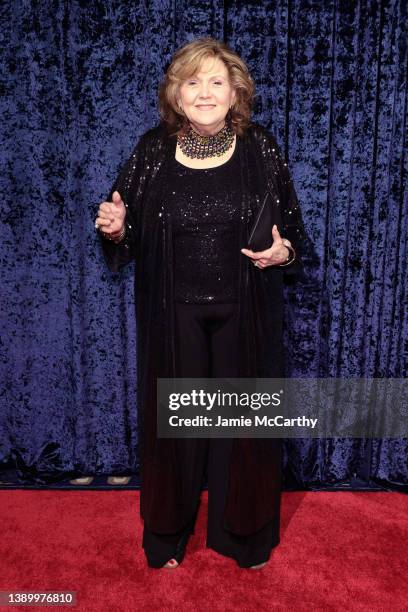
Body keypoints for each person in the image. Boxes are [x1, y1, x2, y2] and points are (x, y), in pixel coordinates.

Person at [95, 37, 305, 570]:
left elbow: (293, 235)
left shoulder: (261, 147)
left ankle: (245, 537)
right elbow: (126, 223)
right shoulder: (151, 149)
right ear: (176, 93)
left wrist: (282, 252)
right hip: (174, 313)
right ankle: (167, 536)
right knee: (176, 428)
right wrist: (118, 230)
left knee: (244, 427)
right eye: (192, 82)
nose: (205, 92)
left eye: (216, 82)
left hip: (246, 309)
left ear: (235, 93)